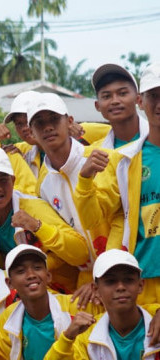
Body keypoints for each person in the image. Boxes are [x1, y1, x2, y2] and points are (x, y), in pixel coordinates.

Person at [74, 63, 160, 304]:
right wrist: (84, 180)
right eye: (154, 96)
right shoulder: (123, 160)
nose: (115, 101)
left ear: (135, 99)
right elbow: (98, 219)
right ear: (143, 101)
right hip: (141, 279)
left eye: (122, 93)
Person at [30, 93, 120, 291]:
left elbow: (123, 219)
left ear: (69, 121)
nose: (48, 127)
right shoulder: (42, 184)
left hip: (123, 272)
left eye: (54, 119)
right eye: (39, 123)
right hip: (86, 282)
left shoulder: (103, 159)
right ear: (31, 132)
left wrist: (106, 274)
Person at [0, 146, 89, 293]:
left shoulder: (34, 208)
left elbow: (81, 253)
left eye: (3, 180)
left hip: (64, 293)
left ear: (13, 181)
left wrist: (38, 227)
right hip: (22, 297)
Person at [92, 63, 148, 149]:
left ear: (138, 99)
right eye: (107, 96)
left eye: (122, 93)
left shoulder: (155, 141)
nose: (115, 101)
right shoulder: (95, 154)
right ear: (97, 105)